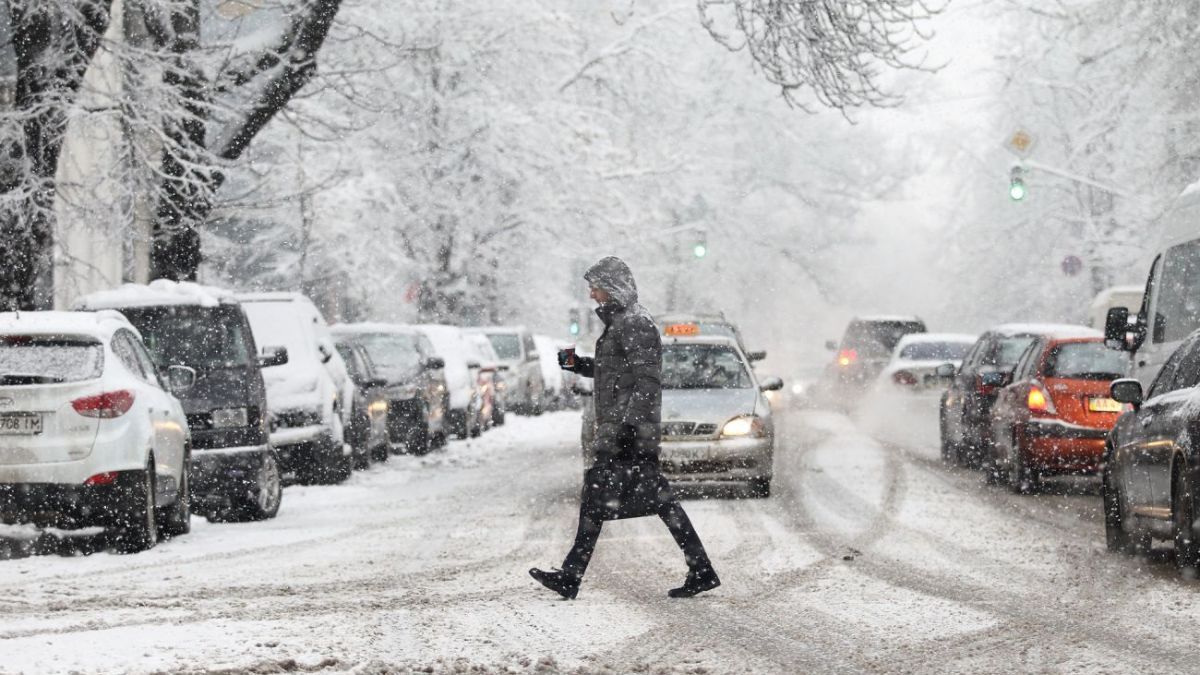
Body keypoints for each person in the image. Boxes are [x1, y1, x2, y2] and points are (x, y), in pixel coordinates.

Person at [529, 256, 720, 600]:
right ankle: (700, 569)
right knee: (634, 498)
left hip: (628, 432)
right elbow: (617, 373)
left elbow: (648, 381)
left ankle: (573, 575)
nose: (591, 294)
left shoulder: (635, 323)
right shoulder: (620, 323)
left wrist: (631, 429)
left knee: (619, 496)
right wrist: (578, 364)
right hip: (621, 428)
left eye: (595, 286)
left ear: (612, 286)